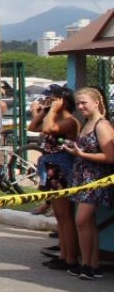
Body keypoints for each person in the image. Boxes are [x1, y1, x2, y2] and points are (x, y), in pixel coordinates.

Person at [63, 88, 113, 280]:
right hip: (82, 178)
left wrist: (82, 154)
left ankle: (86, 263)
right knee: (88, 223)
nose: (80, 106)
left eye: (84, 102)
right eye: (79, 103)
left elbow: (110, 156)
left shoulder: (102, 125)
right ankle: (92, 264)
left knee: (81, 221)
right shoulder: (87, 123)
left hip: (95, 179)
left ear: (96, 103)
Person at [30, 85, 80, 273]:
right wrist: (43, 111)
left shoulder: (69, 121)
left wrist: (52, 111)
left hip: (62, 170)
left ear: (63, 101)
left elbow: (50, 129)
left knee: (66, 216)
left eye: (53, 98)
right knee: (59, 216)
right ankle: (63, 255)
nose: (49, 101)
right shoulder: (54, 116)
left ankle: (71, 258)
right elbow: (33, 127)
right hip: (51, 169)